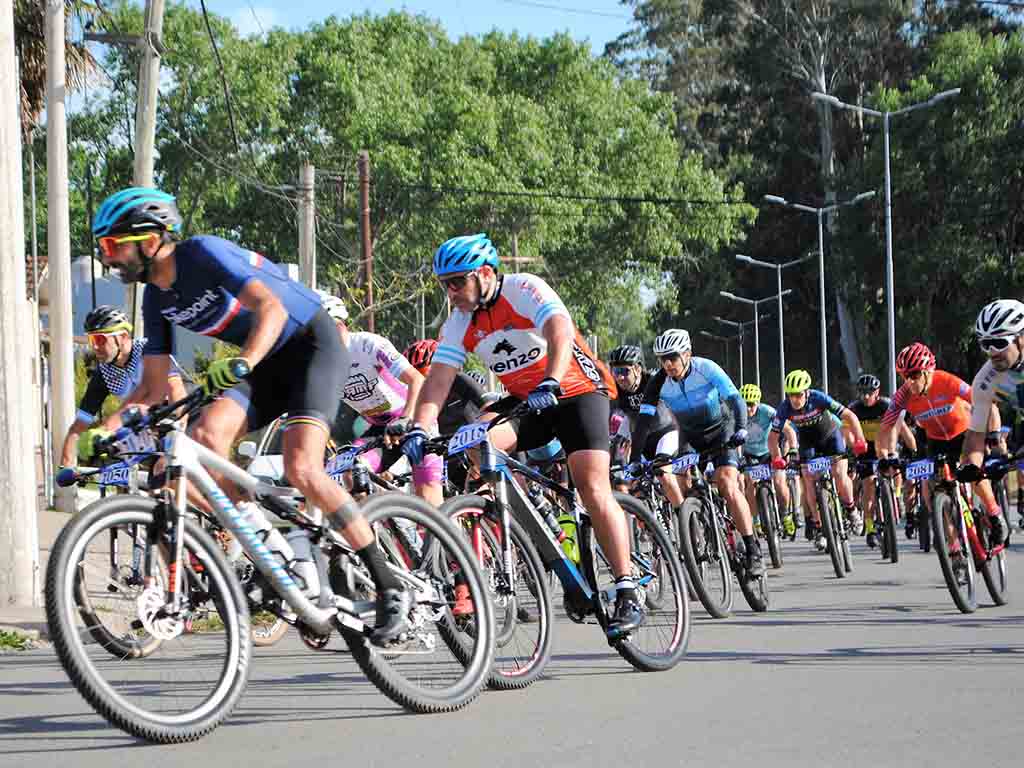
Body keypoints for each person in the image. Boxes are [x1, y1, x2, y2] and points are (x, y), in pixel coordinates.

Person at [90, 185, 408, 644]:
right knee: (204, 436)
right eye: (104, 248)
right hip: (264, 361)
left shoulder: (202, 254)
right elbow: (152, 388)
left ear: (151, 238)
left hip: (310, 346)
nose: (109, 258)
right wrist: (104, 430)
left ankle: (388, 583)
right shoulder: (155, 299)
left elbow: (271, 309)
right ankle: (268, 549)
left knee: (302, 467)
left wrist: (244, 362)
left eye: (113, 245)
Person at [399, 233, 644, 639]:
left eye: (457, 282)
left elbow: (560, 331)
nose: (450, 293)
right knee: (476, 442)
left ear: (485, 273)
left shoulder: (523, 288)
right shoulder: (459, 321)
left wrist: (551, 380)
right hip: (528, 400)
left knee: (591, 484)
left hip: (577, 390)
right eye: (444, 285)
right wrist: (421, 426)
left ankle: (626, 589)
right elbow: (438, 381)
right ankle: (526, 519)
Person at [629, 329, 765, 578]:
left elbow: (735, 399)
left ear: (687, 354)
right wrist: (634, 459)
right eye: (662, 359)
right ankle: (697, 526)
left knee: (727, 484)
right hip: (689, 437)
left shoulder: (706, 368)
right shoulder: (658, 381)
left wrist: (741, 428)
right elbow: (644, 422)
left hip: (722, 430)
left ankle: (752, 549)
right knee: (682, 485)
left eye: (672, 357)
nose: (667, 364)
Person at [876, 341, 1008, 552]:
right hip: (936, 441)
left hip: (963, 433)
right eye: (904, 376)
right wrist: (883, 456)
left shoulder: (946, 380)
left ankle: (994, 514)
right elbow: (885, 428)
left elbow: (984, 401)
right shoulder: (903, 395)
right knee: (932, 490)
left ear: (928, 371)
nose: (910, 381)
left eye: (914, 375)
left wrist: (994, 434)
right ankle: (954, 550)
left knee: (972, 472)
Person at [315, 292, 443, 506]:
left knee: (428, 494)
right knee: (352, 472)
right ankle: (379, 522)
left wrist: (405, 419)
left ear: (340, 325)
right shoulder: (322, 363)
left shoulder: (367, 345)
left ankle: (444, 526)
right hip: (380, 428)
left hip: (412, 417)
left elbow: (416, 380)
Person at [63, 305, 188, 470]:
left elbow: (176, 392)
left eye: (99, 339)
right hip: (153, 428)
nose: (94, 347)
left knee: (167, 472)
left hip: (185, 416)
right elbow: (78, 427)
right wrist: (65, 469)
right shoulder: (104, 374)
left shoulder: (149, 351)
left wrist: (174, 446)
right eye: (91, 340)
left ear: (122, 337)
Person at [768, 369, 867, 552]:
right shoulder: (785, 408)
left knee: (839, 474)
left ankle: (852, 510)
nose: (794, 400)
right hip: (808, 443)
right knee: (808, 480)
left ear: (807, 392)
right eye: (791, 395)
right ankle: (819, 526)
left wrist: (860, 440)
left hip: (830, 437)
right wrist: (776, 457)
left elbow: (849, 416)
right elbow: (773, 437)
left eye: (798, 395)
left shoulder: (818, 398)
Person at [956, 299, 1024, 543]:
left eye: (999, 342)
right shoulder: (985, 380)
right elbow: (976, 434)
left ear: (1021, 338)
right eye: (985, 344)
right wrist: (973, 467)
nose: (992, 351)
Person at [605, 344, 683, 508]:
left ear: (638, 369)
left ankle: (683, 517)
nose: (620, 377)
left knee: (663, 474)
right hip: (641, 440)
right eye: (616, 372)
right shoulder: (615, 391)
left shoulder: (653, 381)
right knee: (634, 486)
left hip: (665, 433)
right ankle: (646, 521)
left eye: (624, 371)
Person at [847, 373, 917, 548]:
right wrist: (852, 450)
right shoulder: (854, 409)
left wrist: (914, 451)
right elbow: (847, 433)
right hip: (865, 448)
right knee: (868, 485)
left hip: (886, 445)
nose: (866, 396)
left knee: (894, 465)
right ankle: (870, 527)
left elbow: (903, 430)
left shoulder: (886, 405)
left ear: (877, 392)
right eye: (863, 393)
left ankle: (897, 495)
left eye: (870, 392)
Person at [738, 383, 799, 533]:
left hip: (769, 452)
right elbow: (735, 438)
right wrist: (739, 458)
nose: (748, 409)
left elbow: (788, 430)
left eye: (751, 404)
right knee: (750, 484)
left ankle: (785, 514)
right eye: (745, 405)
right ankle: (756, 520)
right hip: (750, 454)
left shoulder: (767, 411)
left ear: (758, 403)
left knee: (779, 482)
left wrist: (792, 449)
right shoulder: (738, 414)